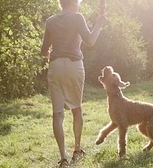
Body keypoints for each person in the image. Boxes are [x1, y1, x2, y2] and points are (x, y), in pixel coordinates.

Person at [40, 0, 107, 167]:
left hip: (55, 66)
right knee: (76, 110)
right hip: (74, 66)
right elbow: (90, 41)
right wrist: (98, 25)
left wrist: (54, 55)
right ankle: (77, 149)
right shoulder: (78, 17)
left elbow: (43, 52)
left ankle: (63, 158)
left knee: (57, 114)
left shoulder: (50, 21)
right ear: (75, 2)